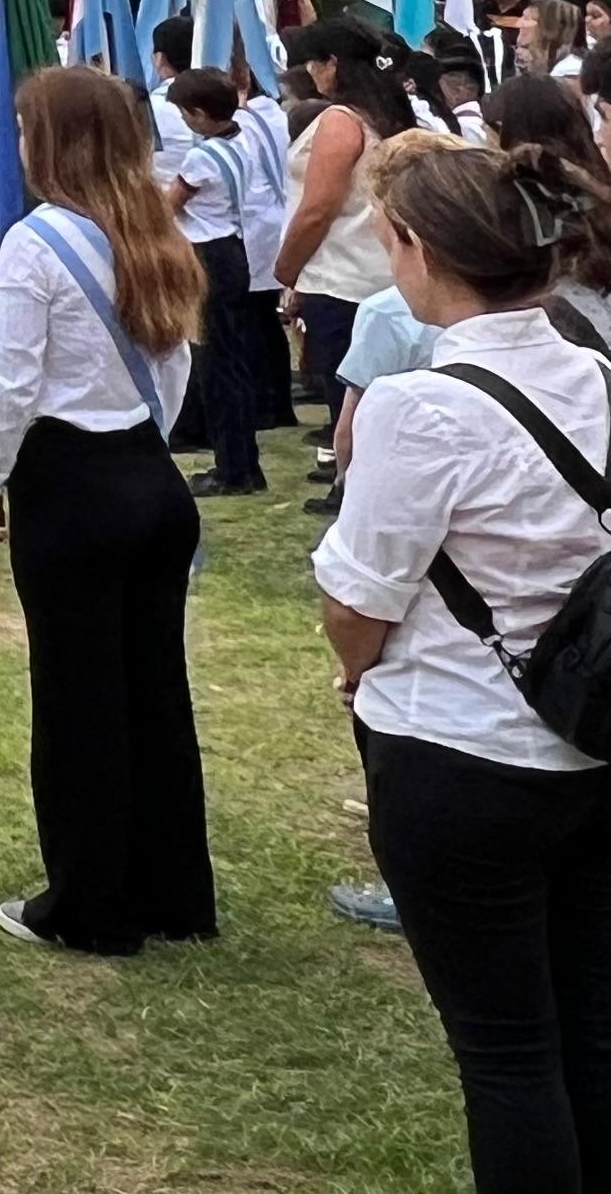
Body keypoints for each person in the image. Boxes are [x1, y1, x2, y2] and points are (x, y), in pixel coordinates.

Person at [319, 137, 611, 1191]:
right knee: (587, 1028)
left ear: (419, 249)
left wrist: (358, 673)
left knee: (506, 1055)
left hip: (460, 750)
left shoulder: (419, 407)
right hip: (591, 738)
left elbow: (356, 601)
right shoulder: (597, 374)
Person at [0, 61, 215, 956]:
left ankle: (88, 906)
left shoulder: (40, 241)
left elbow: (11, 379)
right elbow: (176, 359)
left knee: (78, 702)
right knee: (154, 690)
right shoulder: (151, 224)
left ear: (53, 142)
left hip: (71, 483)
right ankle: (174, 891)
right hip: (148, 477)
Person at [276, 15, 412, 425]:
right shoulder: (388, 114)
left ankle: (347, 483)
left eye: (314, 64)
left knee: (349, 403)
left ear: (332, 63)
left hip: (341, 279)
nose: (311, 73)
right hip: (382, 273)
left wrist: (287, 269)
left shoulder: (341, 121)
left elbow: (318, 209)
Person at [165, 67, 269, 496]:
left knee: (215, 368)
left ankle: (233, 469)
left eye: (187, 114)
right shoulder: (241, 140)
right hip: (232, 249)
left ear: (200, 114)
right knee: (232, 364)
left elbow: (169, 206)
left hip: (208, 255)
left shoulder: (200, 158)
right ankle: (242, 462)